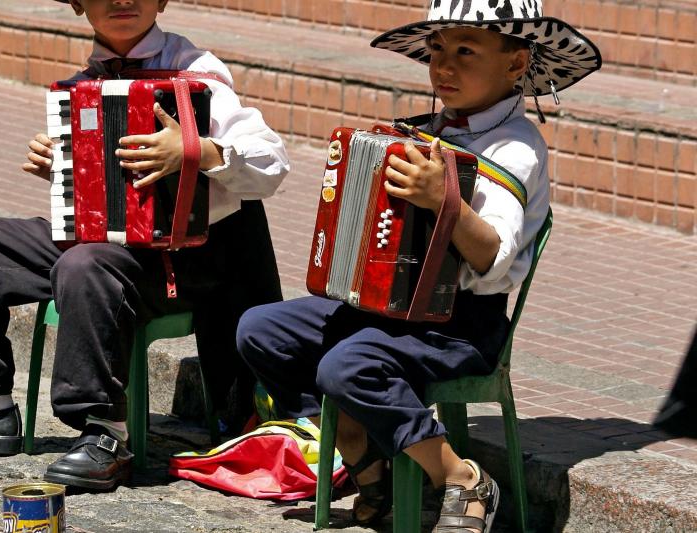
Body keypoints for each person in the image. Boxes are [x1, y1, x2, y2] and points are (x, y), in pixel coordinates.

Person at [236, 0, 600, 530]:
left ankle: (458, 476)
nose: (444, 67)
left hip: (462, 326)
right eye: (437, 50)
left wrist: (443, 201)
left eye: (466, 52)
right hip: (393, 313)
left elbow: (492, 258)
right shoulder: (428, 130)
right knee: (261, 330)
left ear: (517, 64)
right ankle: (365, 456)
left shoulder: (516, 148)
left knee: (347, 366)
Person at [0, 0, 289, 491]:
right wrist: (62, 165)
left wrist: (194, 149)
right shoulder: (85, 81)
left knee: (85, 263)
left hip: (180, 261)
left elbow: (272, 162)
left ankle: (105, 432)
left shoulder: (199, 73)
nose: (122, 0)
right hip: (105, 247)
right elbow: (96, 195)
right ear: (79, 3)